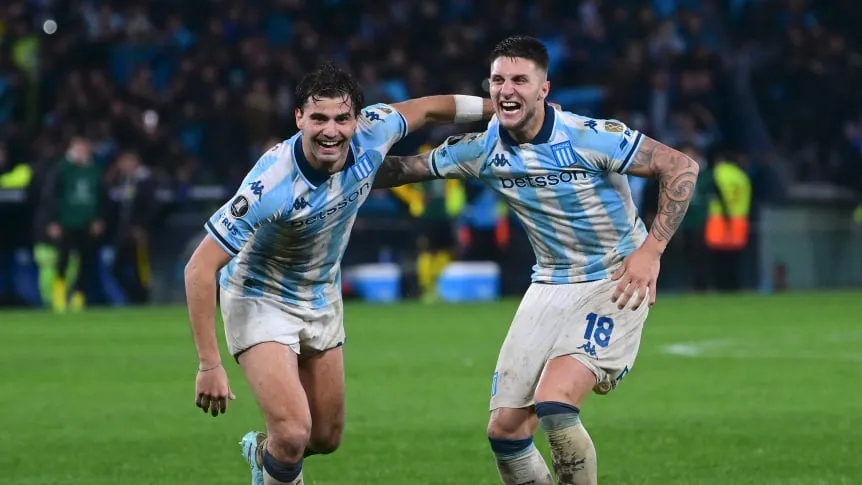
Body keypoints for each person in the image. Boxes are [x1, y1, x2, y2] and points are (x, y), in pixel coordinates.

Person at [374, 36, 699, 485]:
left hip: (616, 277)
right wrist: (342, 160)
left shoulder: (589, 135)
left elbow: (681, 166)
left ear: (544, 89)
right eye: (498, 80)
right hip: (548, 283)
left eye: (520, 80)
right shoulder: (482, 148)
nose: (507, 90)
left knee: (555, 403)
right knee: (505, 431)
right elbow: (407, 169)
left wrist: (651, 252)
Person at [183, 62, 491, 485]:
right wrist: (208, 364)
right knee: (292, 433)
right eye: (319, 119)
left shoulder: (376, 129)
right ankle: (278, 453)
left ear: (357, 119)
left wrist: (501, 110)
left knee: (325, 437)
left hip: (320, 293)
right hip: (260, 295)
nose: (331, 130)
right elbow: (199, 268)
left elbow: (436, 107)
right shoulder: (271, 182)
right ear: (299, 119)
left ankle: (265, 453)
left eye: (342, 119)